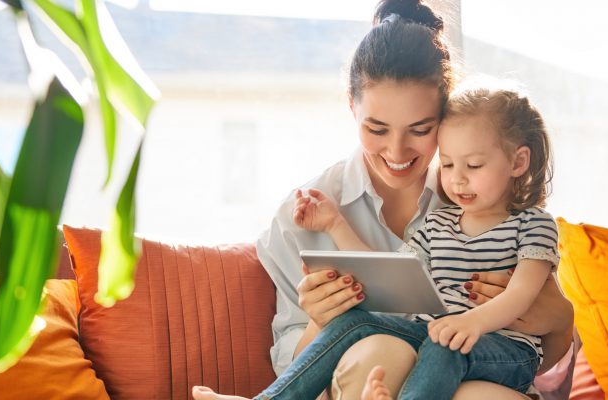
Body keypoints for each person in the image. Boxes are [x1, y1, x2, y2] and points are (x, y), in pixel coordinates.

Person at [193, 0, 574, 399]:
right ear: (351, 106)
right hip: (374, 371)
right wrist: (320, 320)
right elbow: (386, 279)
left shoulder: (488, 203)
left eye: (420, 128)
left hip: (478, 371)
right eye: (376, 128)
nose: (397, 151)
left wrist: (560, 321)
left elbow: (548, 376)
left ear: (445, 115)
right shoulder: (303, 216)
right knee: (380, 349)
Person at [276, 81, 560, 399]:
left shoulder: (534, 224)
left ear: (518, 163)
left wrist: (471, 323)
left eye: (474, 165)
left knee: (444, 344)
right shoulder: (437, 224)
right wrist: (334, 224)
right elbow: (391, 273)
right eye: (448, 164)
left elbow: (521, 293)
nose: (457, 178)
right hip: (439, 336)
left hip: (506, 352)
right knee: (355, 321)